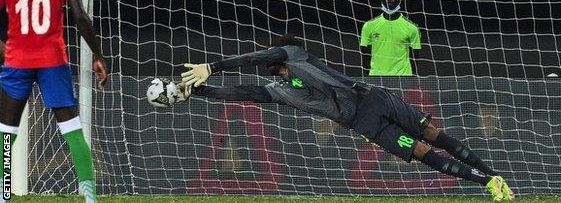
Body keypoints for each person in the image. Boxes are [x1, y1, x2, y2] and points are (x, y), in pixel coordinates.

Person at [175, 34, 514, 201]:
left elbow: (263, 54)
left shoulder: (294, 55)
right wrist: (200, 91)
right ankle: (488, 181)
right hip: (364, 119)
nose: (272, 69)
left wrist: (214, 67)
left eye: (273, 66)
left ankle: (495, 179)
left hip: (374, 98)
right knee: (425, 151)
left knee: (433, 137)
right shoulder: (278, 90)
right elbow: (244, 92)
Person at [0, 0, 108, 203]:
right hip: (52, 61)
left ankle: (3, 193)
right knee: (72, 129)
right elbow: (80, 18)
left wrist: (3, 45)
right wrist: (97, 55)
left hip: (17, 61)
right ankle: (89, 197)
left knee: (6, 131)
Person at [360, 0, 421, 76]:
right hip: (376, 78)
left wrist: (410, 80)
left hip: (403, 78)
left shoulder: (412, 28)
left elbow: (414, 59)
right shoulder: (369, 26)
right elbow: (365, 57)